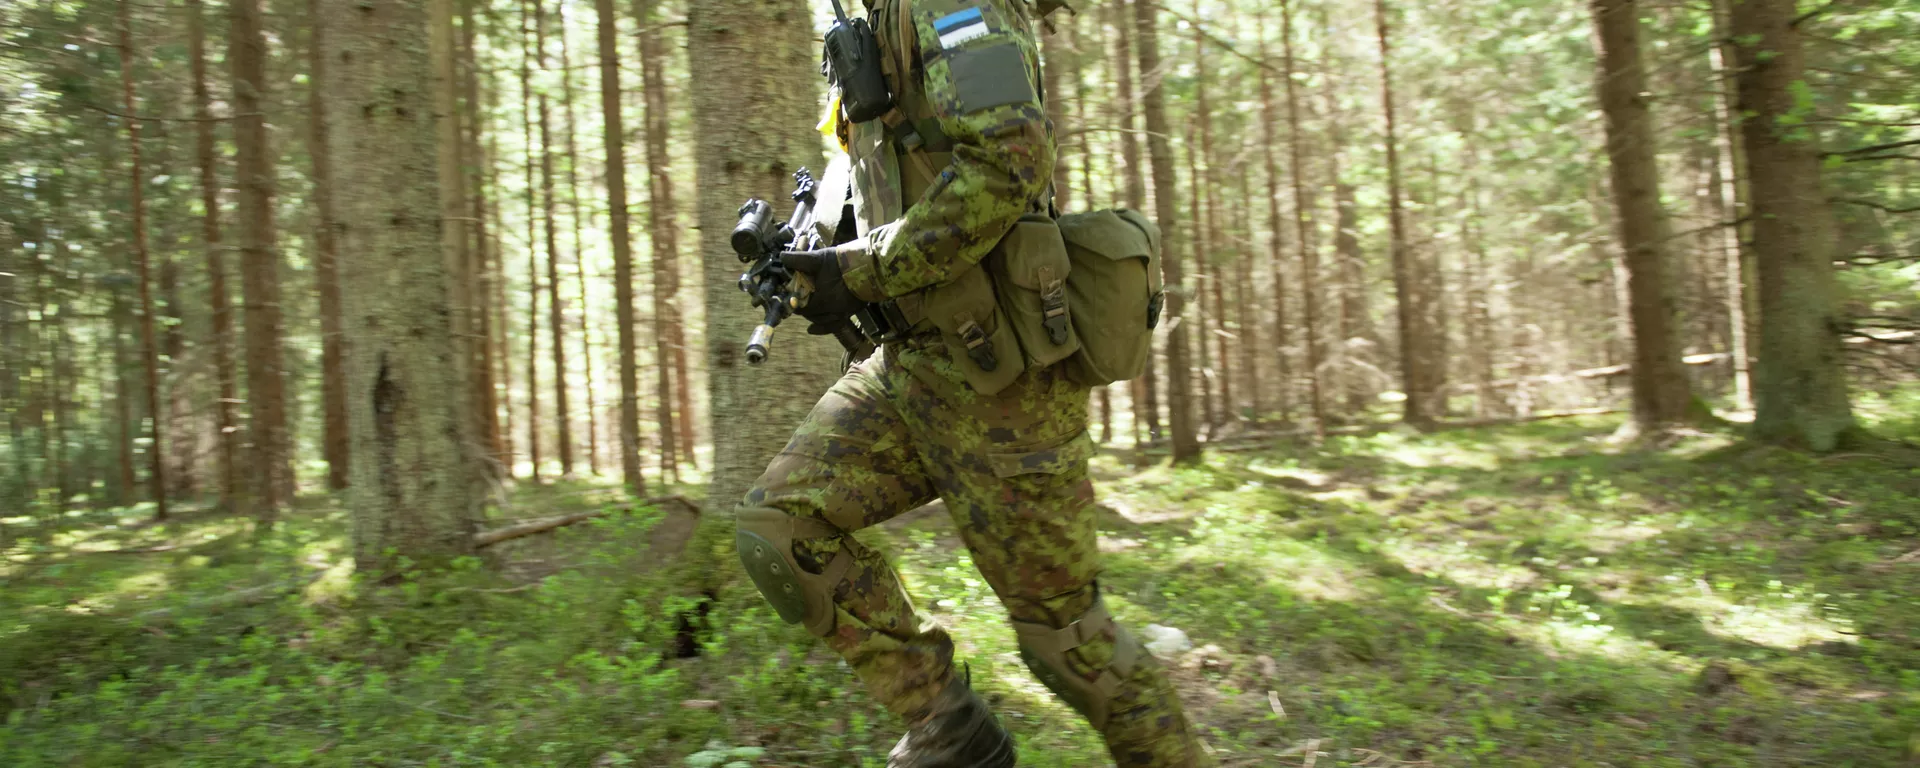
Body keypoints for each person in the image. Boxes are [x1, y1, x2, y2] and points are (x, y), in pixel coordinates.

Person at [732, 0, 1207, 765]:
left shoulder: (950, 6)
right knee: (781, 530)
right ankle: (949, 728)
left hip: (1007, 382)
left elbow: (1009, 160)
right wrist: (817, 254)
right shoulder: (877, 20)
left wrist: (859, 273)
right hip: (908, 366)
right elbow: (891, 173)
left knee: (1069, 643)